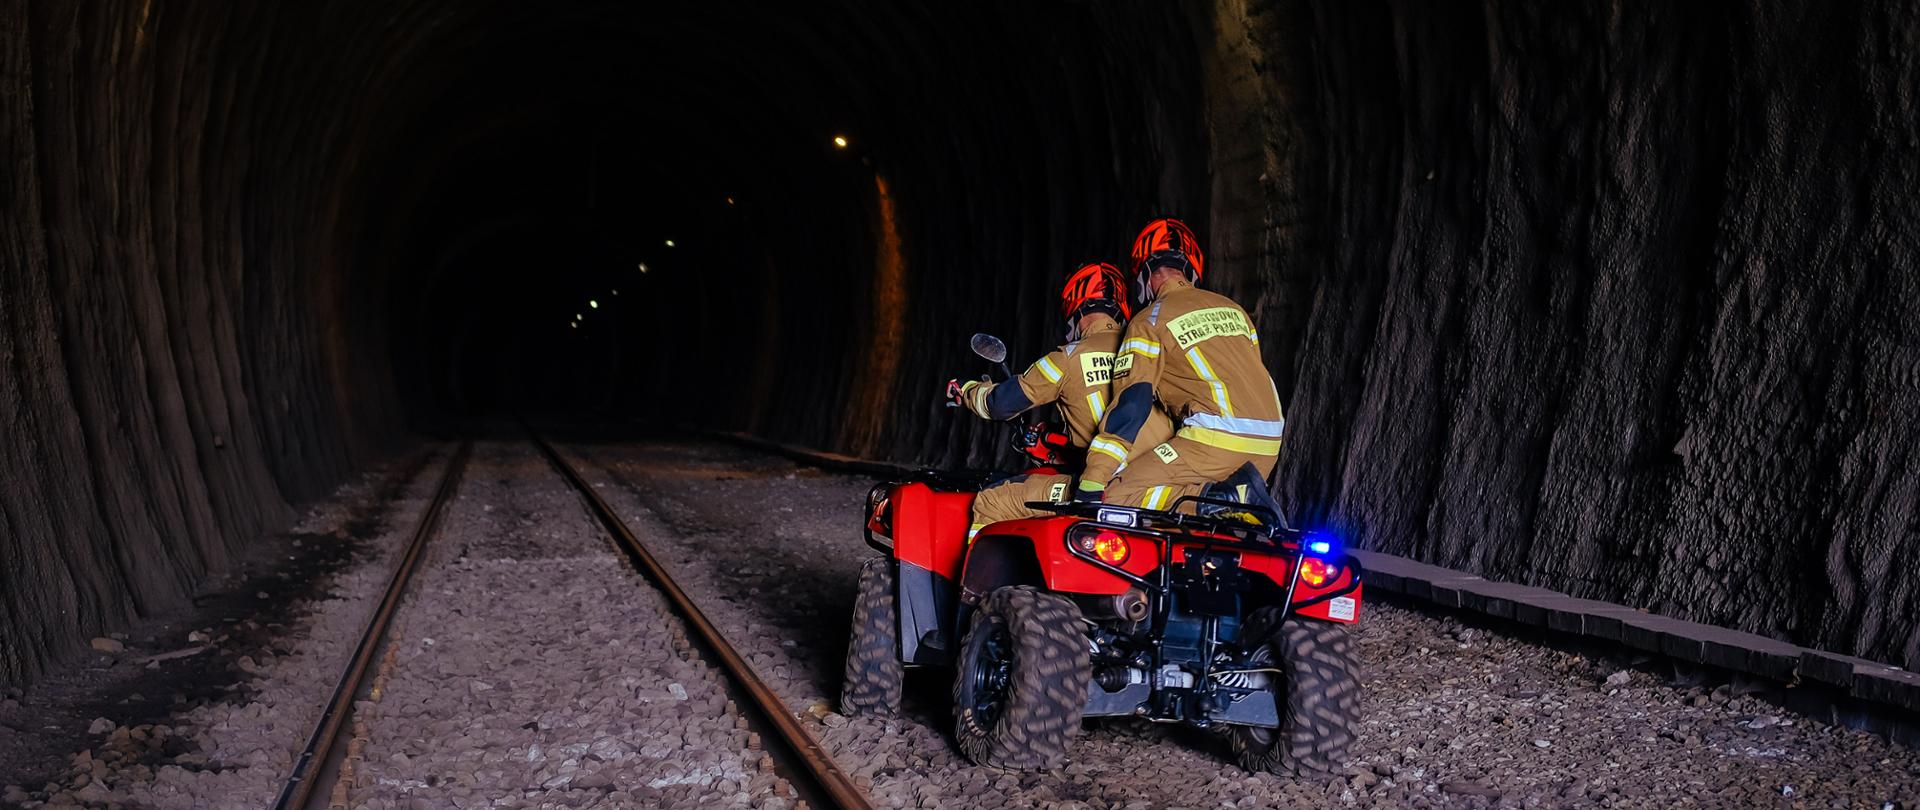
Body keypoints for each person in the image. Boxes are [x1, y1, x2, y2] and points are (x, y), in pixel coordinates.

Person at [948, 262, 1173, 540]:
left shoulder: (1066, 358)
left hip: (1108, 486)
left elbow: (999, 404)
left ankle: (976, 584)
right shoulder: (1152, 348)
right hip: (1168, 482)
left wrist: (969, 390)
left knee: (991, 501)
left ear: (1074, 308)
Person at [1075, 218, 1285, 511]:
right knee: (1192, 494)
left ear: (1145, 276)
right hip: (1268, 445)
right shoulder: (1234, 310)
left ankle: (1219, 500)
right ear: (1191, 269)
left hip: (1214, 441)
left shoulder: (1149, 320)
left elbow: (1132, 404)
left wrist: (1094, 478)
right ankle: (1229, 501)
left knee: (1115, 497)